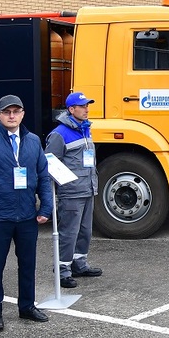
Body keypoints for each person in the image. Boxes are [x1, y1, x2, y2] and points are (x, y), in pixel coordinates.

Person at [0, 94, 53, 332]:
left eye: (16, 111)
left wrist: (45, 207)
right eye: (7, 112)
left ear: (23, 114)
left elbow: (43, 176)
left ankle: (27, 306)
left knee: (28, 265)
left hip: (27, 215)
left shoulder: (34, 141)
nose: (12, 116)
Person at [45, 91, 101, 289]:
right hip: (72, 192)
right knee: (69, 232)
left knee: (85, 230)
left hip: (87, 189)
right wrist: (66, 183)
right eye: (83, 106)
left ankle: (79, 264)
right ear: (71, 109)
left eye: (87, 105)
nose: (87, 109)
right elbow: (50, 163)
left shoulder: (85, 129)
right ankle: (62, 270)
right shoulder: (59, 134)